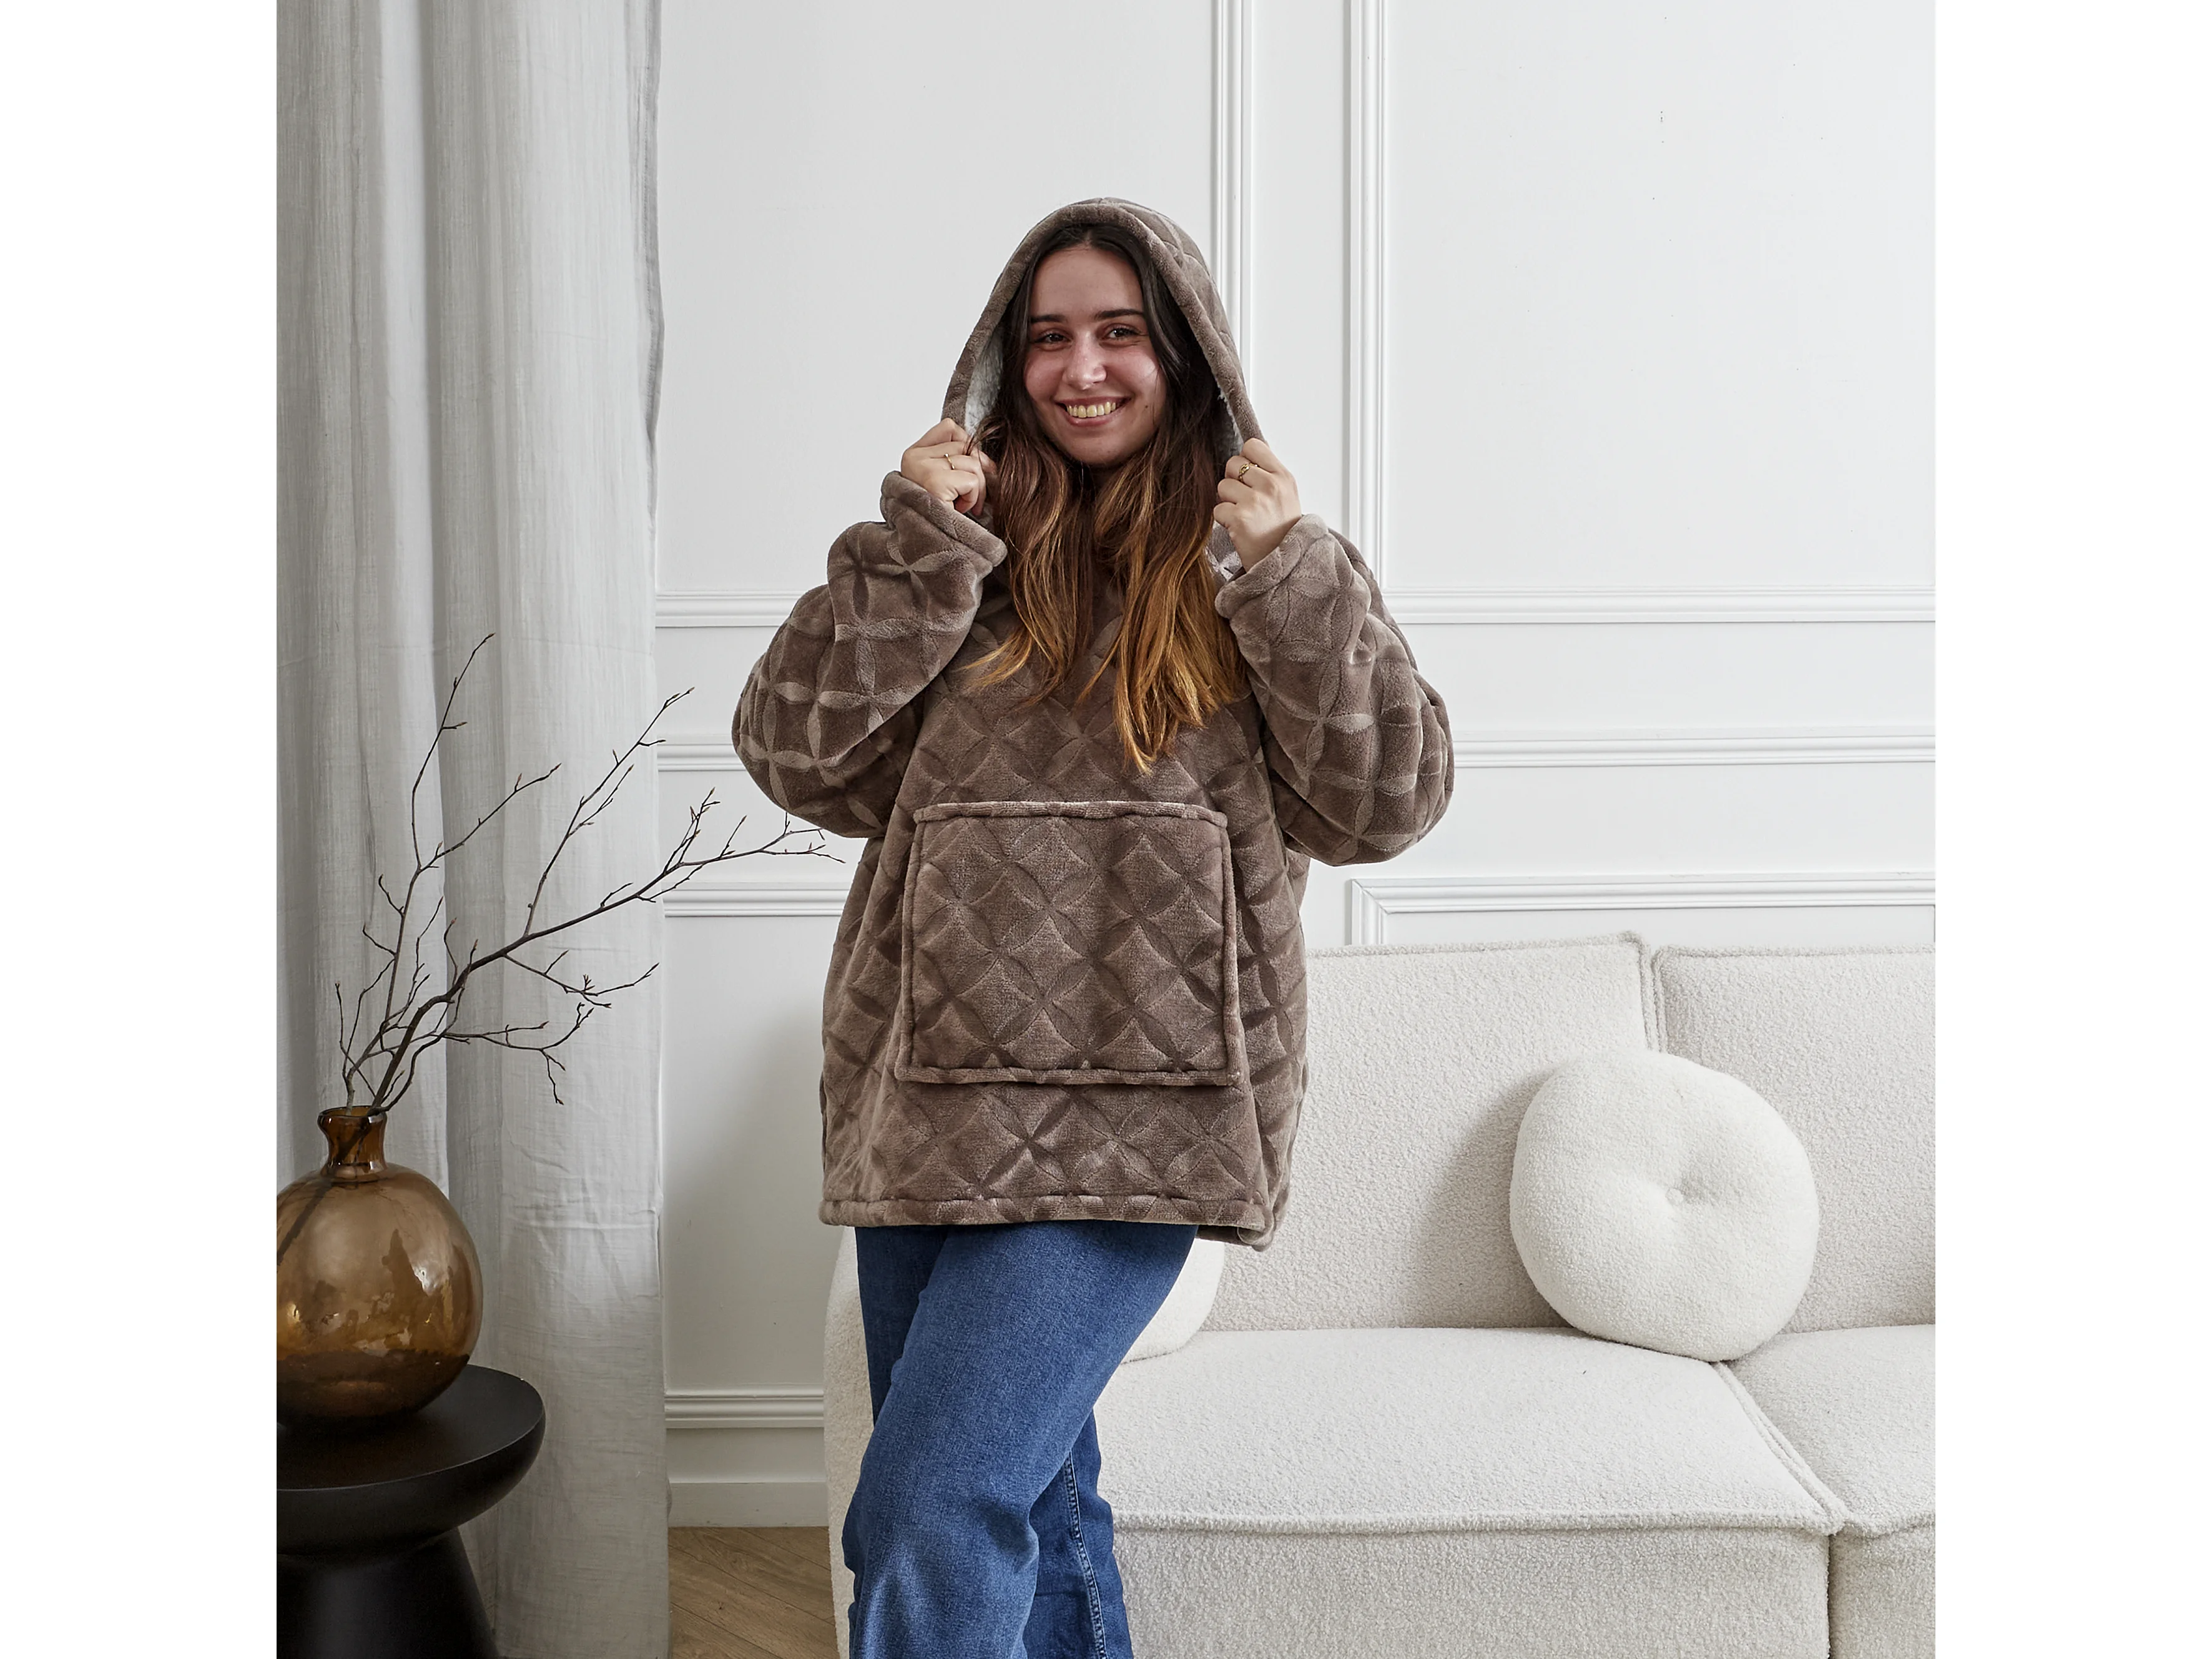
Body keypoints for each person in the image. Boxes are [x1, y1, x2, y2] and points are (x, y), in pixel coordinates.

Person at [734, 199, 1452, 1659]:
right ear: (1007, 364)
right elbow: (799, 758)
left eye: (1119, 333)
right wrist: (916, 550)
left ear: (1182, 357)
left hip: (1147, 1120)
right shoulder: (957, 555)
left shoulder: (1256, 563)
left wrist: (1292, 570)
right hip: (930, 1106)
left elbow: (1385, 802)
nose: (1082, 369)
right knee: (1035, 1510)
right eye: (1049, 337)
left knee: (928, 1505)